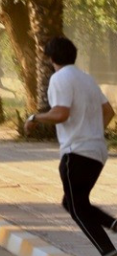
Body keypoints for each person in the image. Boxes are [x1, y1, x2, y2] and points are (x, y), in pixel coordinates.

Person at [25, 37, 117, 256]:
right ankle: (113, 229)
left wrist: (34, 118)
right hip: (96, 151)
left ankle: (108, 251)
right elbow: (109, 112)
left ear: (51, 58)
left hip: (76, 152)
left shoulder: (59, 78)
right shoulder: (86, 78)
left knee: (76, 207)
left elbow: (60, 113)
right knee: (74, 203)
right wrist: (92, 131)